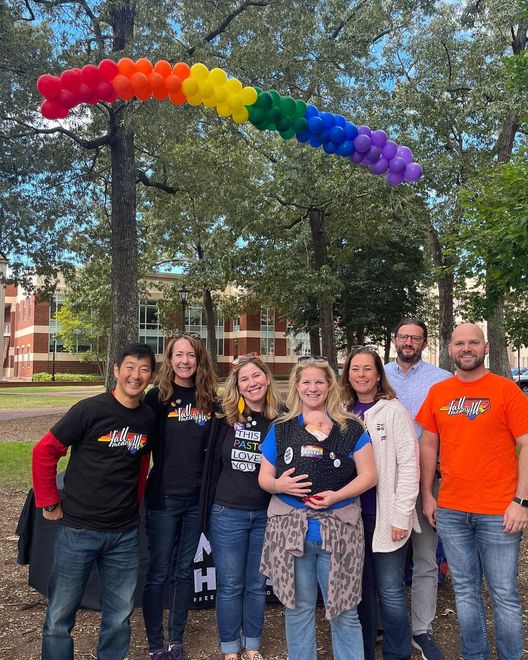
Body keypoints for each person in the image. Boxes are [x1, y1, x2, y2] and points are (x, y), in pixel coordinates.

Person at [32, 343, 156, 660]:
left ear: (151, 376)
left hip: (124, 535)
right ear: (116, 370)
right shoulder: (89, 410)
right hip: (79, 531)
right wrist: (49, 502)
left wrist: (136, 504)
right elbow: (45, 451)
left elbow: (142, 464)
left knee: (118, 618)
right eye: (130, 366)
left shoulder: (146, 418)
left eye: (144, 369)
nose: (136, 375)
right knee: (60, 618)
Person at [417, 323, 528, 660]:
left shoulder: (507, 391)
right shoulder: (439, 393)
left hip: (499, 510)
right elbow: (428, 444)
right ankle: (474, 654)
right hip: (451, 508)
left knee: (504, 593)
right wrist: (427, 495)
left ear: (485, 348)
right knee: (465, 591)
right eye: (460, 343)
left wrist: (521, 501)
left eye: (473, 343)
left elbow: (526, 444)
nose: (467, 348)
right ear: (450, 349)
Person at [258, 358, 377, 660]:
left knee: (345, 612)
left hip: (339, 531)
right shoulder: (282, 429)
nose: (313, 388)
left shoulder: (350, 428)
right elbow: (264, 477)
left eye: (319, 382)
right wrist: (279, 486)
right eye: (306, 382)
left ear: (329, 386)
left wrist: (336, 496)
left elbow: (368, 475)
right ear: (296, 386)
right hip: (292, 532)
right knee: (298, 610)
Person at [199, 355, 282, 660]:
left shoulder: (281, 418)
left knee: (256, 585)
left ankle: (252, 644)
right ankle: (230, 647)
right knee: (230, 585)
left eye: (256, 376)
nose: (252, 383)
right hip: (227, 512)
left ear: (267, 378)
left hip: (265, 514)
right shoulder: (224, 417)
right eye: (244, 379)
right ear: (237, 385)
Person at [341, 346, 420, 660]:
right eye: (355, 369)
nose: (361, 375)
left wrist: (402, 515)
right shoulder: (340, 411)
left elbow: (410, 466)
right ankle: (362, 652)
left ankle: (397, 653)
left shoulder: (392, 410)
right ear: (347, 375)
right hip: (349, 516)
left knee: (389, 591)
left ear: (378, 375)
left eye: (367, 369)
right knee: (359, 591)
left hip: (385, 516)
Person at [142, 332, 217, 660]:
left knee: (184, 570)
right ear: (169, 359)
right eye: (178, 354)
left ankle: (176, 640)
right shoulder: (155, 399)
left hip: (196, 500)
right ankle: (156, 644)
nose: (185, 360)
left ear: (199, 360)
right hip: (164, 498)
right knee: (159, 571)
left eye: (191, 355)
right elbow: (138, 442)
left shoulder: (210, 399)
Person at [384, 318, 451, 660]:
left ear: (424, 343)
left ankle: (421, 629)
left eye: (416, 337)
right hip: (385, 484)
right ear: (395, 339)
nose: (409, 341)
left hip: (428, 480)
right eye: (404, 336)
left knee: (425, 557)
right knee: (387, 557)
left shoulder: (442, 380)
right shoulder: (378, 376)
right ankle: (389, 623)